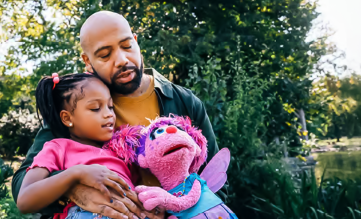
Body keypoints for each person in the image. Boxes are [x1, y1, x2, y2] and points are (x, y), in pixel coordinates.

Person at [12, 11, 219, 219]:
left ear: (136, 42)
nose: (121, 60)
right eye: (104, 55)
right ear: (88, 61)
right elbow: (22, 184)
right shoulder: (79, 104)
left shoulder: (184, 101)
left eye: (127, 46)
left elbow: (214, 180)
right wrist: (74, 187)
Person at [17, 72, 141, 219]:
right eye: (95, 108)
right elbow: (25, 200)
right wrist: (77, 174)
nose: (109, 114)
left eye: (110, 106)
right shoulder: (57, 148)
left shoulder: (120, 149)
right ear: (67, 118)